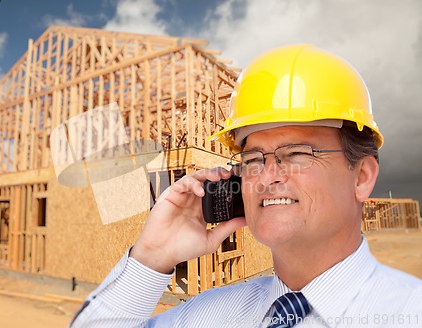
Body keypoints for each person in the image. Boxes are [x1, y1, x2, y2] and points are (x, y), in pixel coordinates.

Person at [70, 44, 422, 327]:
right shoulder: (208, 315)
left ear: (361, 177)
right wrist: (152, 258)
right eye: (253, 159)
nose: (267, 176)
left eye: (297, 152)